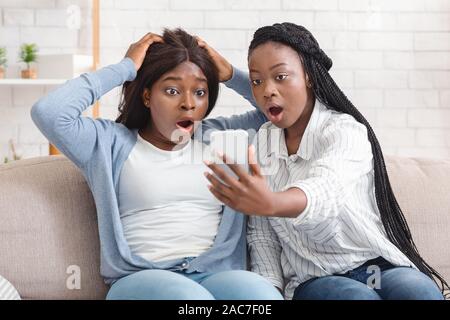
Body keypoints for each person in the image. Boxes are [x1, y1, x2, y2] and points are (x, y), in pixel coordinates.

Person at [31, 28, 282, 300]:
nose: (188, 104)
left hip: (216, 275)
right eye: (172, 90)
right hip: (140, 280)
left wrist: (231, 75)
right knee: (191, 301)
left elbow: (275, 115)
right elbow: (50, 112)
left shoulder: (224, 138)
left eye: (200, 91)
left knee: (262, 297)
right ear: (147, 96)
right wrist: (124, 68)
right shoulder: (107, 144)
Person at [203, 22, 448, 300]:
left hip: (375, 269)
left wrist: (273, 203)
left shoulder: (344, 130)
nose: (266, 90)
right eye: (257, 81)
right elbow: (263, 235)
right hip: (316, 277)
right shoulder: (263, 141)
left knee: (419, 291)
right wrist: (269, 289)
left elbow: (328, 187)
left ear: (308, 75)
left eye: (280, 76)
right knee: (356, 297)